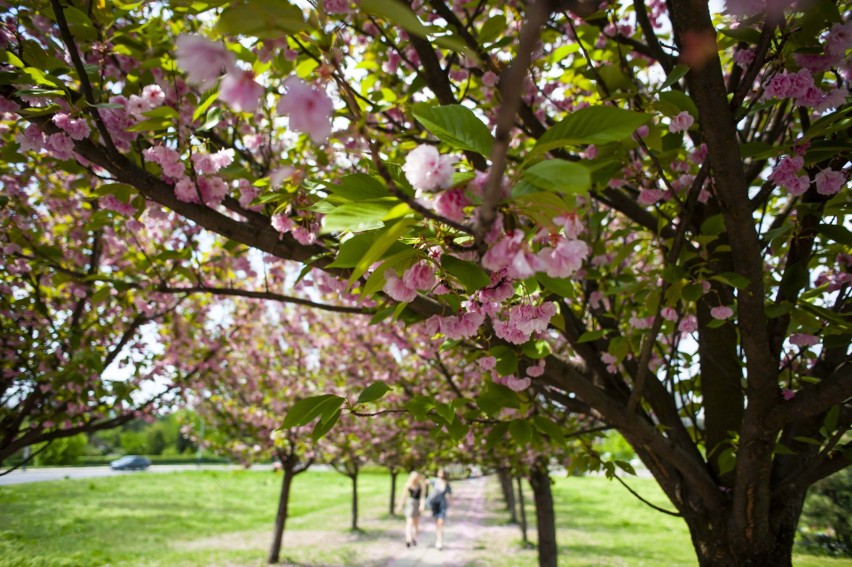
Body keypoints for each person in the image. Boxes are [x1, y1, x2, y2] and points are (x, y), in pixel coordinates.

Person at [428, 468, 453, 550]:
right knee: (437, 524)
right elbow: (425, 481)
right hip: (434, 504)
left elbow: (450, 496)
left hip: (442, 504)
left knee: (441, 523)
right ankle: (437, 539)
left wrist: (452, 506)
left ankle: (440, 541)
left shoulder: (447, 484)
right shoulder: (434, 481)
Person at [403, 471, 425, 547]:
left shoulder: (420, 485)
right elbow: (404, 496)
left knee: (415, 523)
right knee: (410, 522)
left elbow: (422, 496)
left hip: (416, 504)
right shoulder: (409, 485)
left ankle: (413, 538)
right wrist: (400, 505)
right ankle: (409, 538)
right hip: (411, 504)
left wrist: (422, 505)